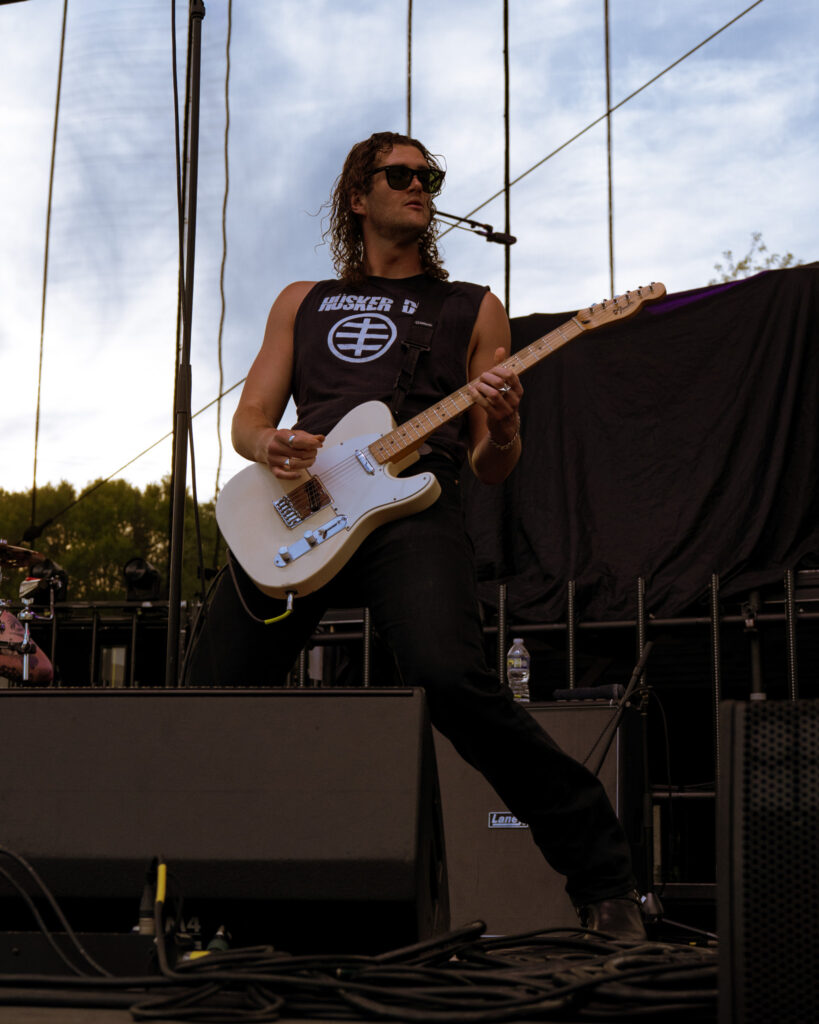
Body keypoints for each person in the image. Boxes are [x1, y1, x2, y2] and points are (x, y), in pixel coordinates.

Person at [188, 131, 645, 939]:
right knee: (207, 693)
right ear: (356, 197)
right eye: (399, 173)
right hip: (300, 505)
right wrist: (270, 444)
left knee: (450, 679)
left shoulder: (472, 306)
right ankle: (200, 907)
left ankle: (605, 882)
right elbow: (250, 418)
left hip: (411, 509)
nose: (420, 184)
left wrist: (504, 427)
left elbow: (492, 464)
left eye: (429, 175)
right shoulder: (301, 300)